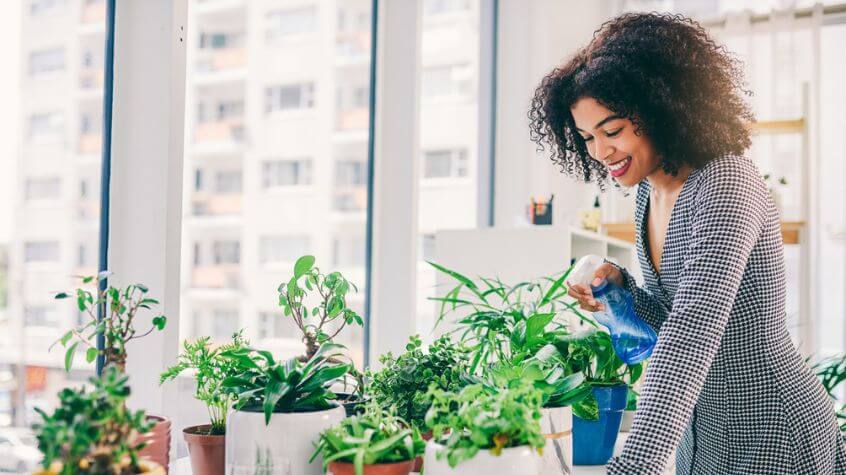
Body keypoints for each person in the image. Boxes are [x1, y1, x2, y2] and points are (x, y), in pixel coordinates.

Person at [529, 12, 846, 474]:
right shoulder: (647, 194)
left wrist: (635, 463)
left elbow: (693, 332)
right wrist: (624, 290)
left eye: (612, 131)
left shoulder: (726, 183)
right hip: (704, 434)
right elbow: (670, 315)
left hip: (771, 427)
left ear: (662, 108)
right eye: (587, 138)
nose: (600, 151)